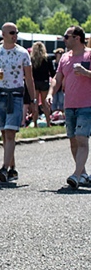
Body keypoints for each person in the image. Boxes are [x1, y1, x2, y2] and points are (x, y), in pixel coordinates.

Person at [0, 23, 37, 183]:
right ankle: (12, 169)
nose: (14, 35)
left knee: (10, 133)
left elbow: (29, 78)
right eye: (11, 32)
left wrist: (33, 100)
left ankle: (4, 168)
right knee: (4, 133)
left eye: (16, 32)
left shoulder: (22, 53)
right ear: (3, 34)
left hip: (15, 94)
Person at [47, 26, 91, 189]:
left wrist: (86, 72)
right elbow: (57, 79)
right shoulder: (65, 58)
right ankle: (83, 174)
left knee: (81, 138)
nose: (64, 40)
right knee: (73, 141)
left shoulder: (89, 54)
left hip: (87, 104)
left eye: (67, 36)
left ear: (77, 38)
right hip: (69, 105)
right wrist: (51, 93)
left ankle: (76, 175)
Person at [30, 42, 54, 127]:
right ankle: (48, 123)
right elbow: (52, 72)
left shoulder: (31, 59)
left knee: (35, 103)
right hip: (44, 82)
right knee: (45, 104)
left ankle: (35, 124)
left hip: (34, 82)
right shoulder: (47, 58)